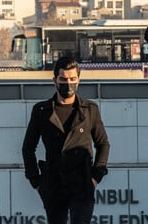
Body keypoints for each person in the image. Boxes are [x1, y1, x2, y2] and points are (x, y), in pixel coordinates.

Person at [22, 56, 110, 224]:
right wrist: (36, 181)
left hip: (82, 183)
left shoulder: (90, 110)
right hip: (54, 184)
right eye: (63, 79)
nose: (68, 83)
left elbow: (103, 144)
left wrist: (95, 177)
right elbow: (28, 148)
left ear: (79, 80)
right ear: (54, 80)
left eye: (72, 79)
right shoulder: (41, 110)